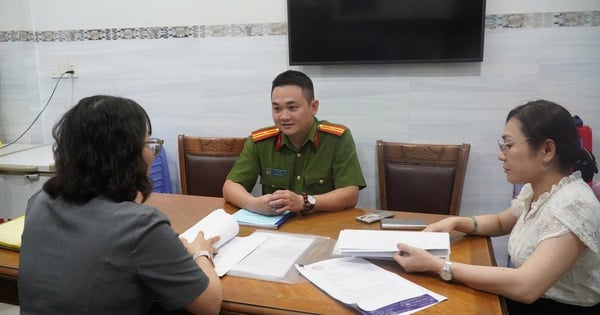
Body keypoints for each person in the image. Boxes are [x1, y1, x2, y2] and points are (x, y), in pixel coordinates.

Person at [18, 95, 222, 315]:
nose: (152, 154)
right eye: (148, 144)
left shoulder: (39, 201)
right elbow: (209, 305)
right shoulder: (141, 225)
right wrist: (200, 254)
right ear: (127, 156)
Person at [393, 100, 600, 314]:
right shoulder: (538, 191)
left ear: (547, 150)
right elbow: (501, 222)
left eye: (509, 145)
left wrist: (437, 266)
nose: (502, 155)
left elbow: (526, 286)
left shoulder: (574, 204)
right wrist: (455, 222)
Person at [223, 70, 366, 216]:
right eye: (277, 109)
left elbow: (350, 194)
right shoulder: (260, 142)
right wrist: (254, 203)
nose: (284, 117)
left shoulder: (337, 139)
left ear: (314, 107)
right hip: (275, 228)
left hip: (322, 224)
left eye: (292, 108)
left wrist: (305, 201)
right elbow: (230, 186)